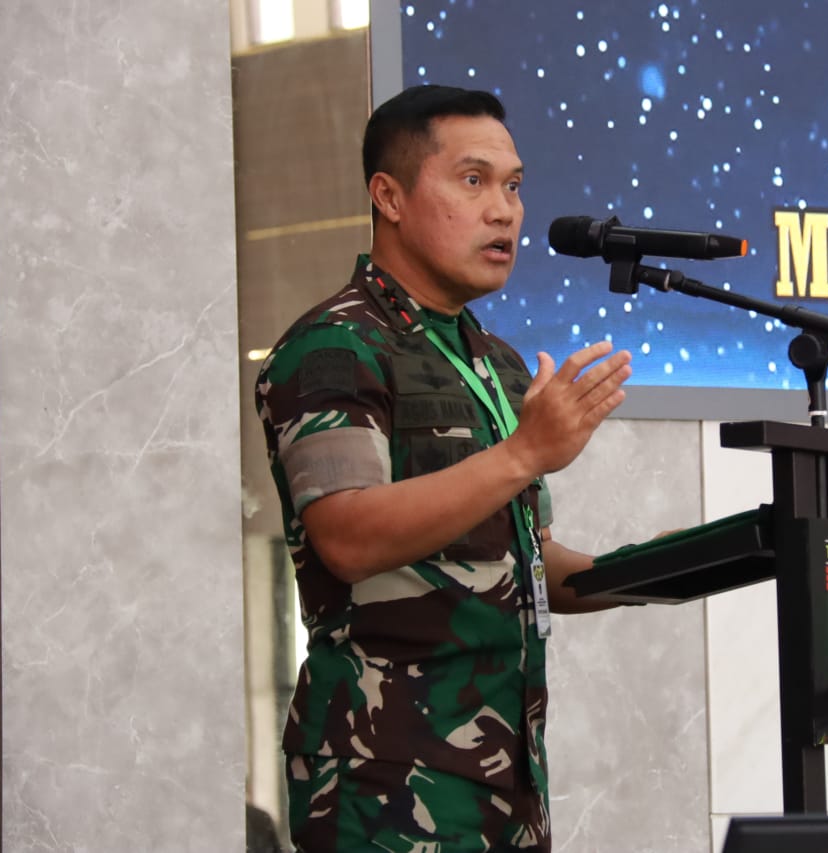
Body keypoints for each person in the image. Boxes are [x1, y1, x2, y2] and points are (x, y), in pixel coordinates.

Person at [255, 84, 633, 852]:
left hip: (506, 782)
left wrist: (662, 569)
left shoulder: (495, 361)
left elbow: (527, 562)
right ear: (389, 197)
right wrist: (524, 451)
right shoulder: (334, 347)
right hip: (383, 783)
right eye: (473, 180)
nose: (504, 211)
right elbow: (348, 536)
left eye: (514, 186)